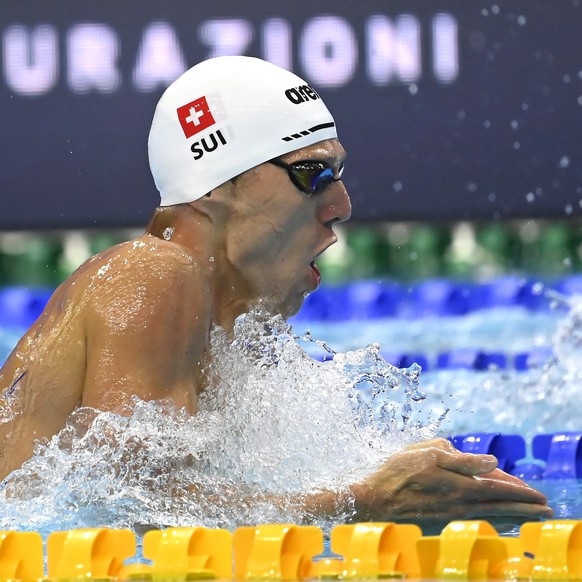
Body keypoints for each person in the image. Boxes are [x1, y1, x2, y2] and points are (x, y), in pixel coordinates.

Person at [0, 56, 552, 525]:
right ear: (217, 185)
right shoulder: (155, 273)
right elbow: (128, 507)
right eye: (313, 174)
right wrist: (371, 500)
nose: (341, 205)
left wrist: (397, 476)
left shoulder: (219, 341)